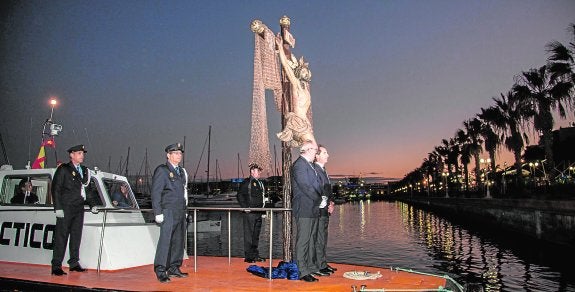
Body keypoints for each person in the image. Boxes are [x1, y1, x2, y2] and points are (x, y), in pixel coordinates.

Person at [51, 144, 97, 276]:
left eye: (83, 153)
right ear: (71, 155)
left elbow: (88, 190)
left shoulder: (84, 170)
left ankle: (74, 263)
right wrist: (58, 208)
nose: (82, 156)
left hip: (79, 207)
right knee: (61, 236)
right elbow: (56, 189)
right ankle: (56, 265)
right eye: (79, 153)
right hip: (66, 207)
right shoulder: (64, 169)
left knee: (76, 236)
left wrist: (92, 204)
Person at [151, 143, 188, 283]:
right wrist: (158, 212)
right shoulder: (162, 170)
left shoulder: (181, 171)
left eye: (180, 153)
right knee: (165, 241)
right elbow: (156, 192)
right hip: (168, 211)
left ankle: (174, 267)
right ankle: (160, 270)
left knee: (178, 241)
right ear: (168, 155)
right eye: (176, 153)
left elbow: (183, 193)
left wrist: (185, 210)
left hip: (180, 210)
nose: (179, 155)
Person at [291, 140, 324, 282]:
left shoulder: (308, 166)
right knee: (303, 240)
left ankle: (309, 267)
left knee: (311, 239)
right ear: (308, 150)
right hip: (304, 208)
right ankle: (302, 271)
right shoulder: (299, 165)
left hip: (312, 208)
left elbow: (315, 186)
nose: (316, 153)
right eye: (316, 151)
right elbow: (305, 186)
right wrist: (319, 200)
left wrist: (320, 198)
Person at [275, 33, 315, 147]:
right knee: (313, 147)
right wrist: (280, 47)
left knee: (311, 149)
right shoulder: (296, 84)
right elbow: (287, 67)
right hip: (297, 122)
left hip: (305, 123)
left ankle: (306, 165)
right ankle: (301, 165)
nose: (305, 73)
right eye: (302, 71)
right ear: (298, 73)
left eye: (306, 72)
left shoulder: (306, 89)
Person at [313, 145, 337, 275]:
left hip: (325, 211)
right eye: (325, 153)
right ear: (317, 155)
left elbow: (328, 191)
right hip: (318, 212)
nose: (328, 155)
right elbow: (315, 191)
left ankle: (322, 263)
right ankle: (318, 266)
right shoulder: (315, 170)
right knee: (319, 238)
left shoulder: (323, 170)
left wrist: (332, 203)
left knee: (323, 238)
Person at [237, 162, 267, 263]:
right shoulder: (247, 182)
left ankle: (255, 255)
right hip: (250, 213)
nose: (260, 173)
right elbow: (240, 195)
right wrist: (245, 207)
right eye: (258, 171)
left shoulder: (260, 183)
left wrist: (263, 211)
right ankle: (249, 257)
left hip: (258, 212)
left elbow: (262, 198)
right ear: (252, 172)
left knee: (256, 235)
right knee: (249, 235)